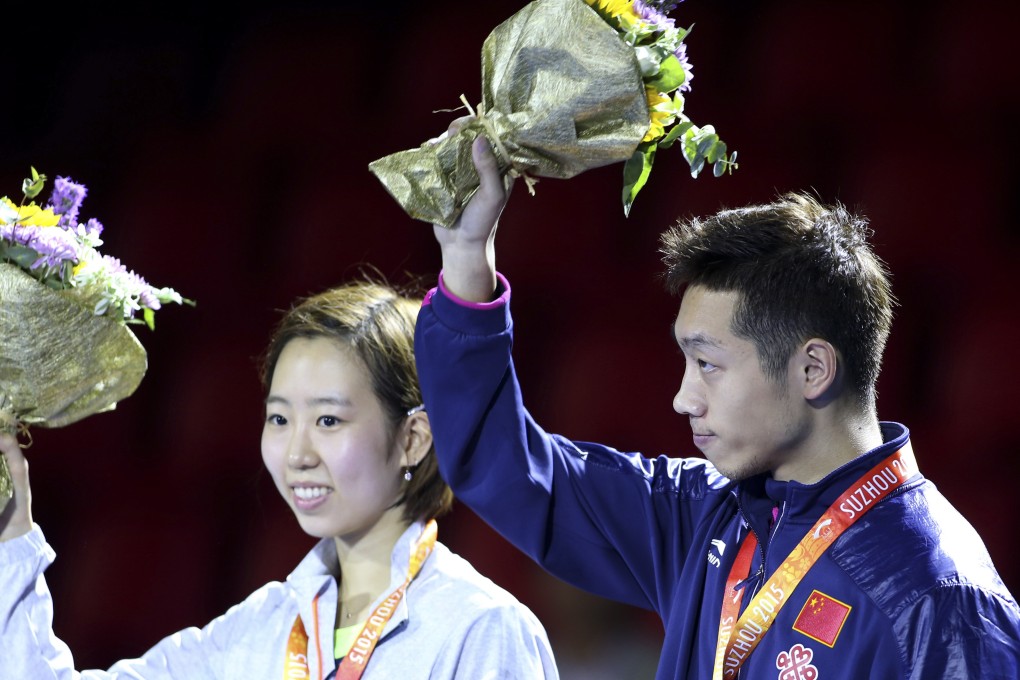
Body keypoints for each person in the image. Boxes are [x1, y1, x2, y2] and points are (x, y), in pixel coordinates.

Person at [411, 126, 1020, 679]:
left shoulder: (936, 594)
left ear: (812, 369)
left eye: (707, 364)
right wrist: (467, 258)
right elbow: (506, 462)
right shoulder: (706, 515)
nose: (681, 398)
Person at [0, 279, 559, 679]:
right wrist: (11, 533)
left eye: (328, 420)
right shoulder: (261, 629)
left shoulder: (480, 629)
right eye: (279, 418)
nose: (297, 454)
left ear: (413, 437)